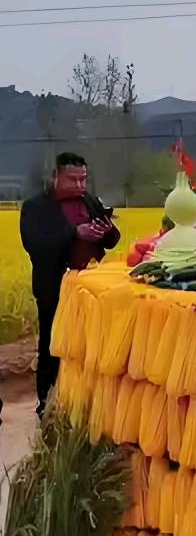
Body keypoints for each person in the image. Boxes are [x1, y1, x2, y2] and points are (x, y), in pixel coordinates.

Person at [19, 152, 120, 414]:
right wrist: (74, 233)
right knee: (53, 346)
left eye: (83, 180)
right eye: (72, 180)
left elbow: (112, 239)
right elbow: (37, 246)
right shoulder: (35, 208)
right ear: (55, 177)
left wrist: (106, 232)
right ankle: (47, 404)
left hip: (92, 291)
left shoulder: (89, 202)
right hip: (54, 289)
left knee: (90, 347)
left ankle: (85, 403)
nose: (79, 186)